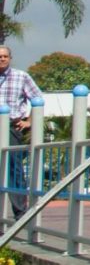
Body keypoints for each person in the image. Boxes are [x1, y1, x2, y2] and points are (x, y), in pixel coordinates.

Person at [0, 46, 41, 218]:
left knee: (13, 168)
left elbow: (38, 98)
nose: (1, 59)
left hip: (11, 126)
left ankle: (20, 213)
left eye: (4, 56)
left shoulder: (21, 76)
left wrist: (29, 122)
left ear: (10, 58)